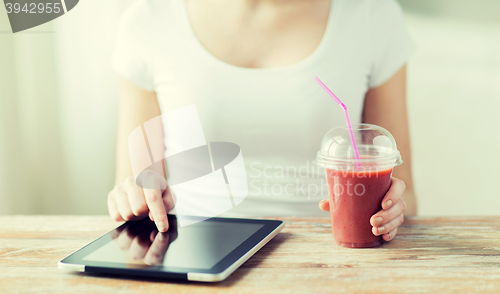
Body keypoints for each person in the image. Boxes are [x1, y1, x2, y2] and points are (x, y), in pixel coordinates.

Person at [107, 0, 417, 243]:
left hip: (332, 253)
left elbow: (405, 194)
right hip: (195, 255)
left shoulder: (372, 17)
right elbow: (138, 185)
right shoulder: (148, 21)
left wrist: (390, 213)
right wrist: (132, 199)